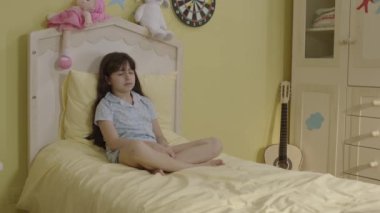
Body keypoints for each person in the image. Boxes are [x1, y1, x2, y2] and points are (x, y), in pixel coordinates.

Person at [87, 52, 224, 174]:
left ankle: (162, 164)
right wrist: (150, 145)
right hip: (127, 151)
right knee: (137, 146)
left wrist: (163, 147)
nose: (128, 77)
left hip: (155, 151)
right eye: (121, 74)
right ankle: (193, 167)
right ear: (108, 79)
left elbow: (158, 135)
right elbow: (113, 142)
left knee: (214, 143)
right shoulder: (105, 105)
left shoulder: (145, 102)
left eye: (131, 72)